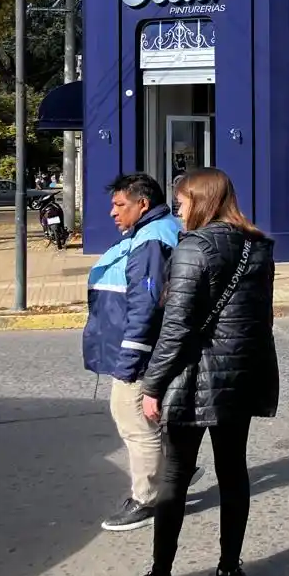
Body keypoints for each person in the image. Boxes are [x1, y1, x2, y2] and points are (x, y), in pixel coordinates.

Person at [132, 167, 279, 576]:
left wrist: (152, 384)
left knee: (175, 477)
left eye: (181, 202)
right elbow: (262, 318)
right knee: (233, 472)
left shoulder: (193, 248)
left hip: (193, 378)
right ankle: (229, 575)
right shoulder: (259, 246)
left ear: (202, 200)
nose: (177, 211)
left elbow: (176, 327)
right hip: (240, 377)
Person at [83, 172, 198, 532]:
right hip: (152, 349)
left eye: (120, 205)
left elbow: (145, 310)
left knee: (133, 418)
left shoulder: (150, 240)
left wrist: (129, 364)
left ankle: (148, 497)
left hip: (139, 353)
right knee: (153, 417)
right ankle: (175, 471)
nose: (113, 213)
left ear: (142, 204)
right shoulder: (158, 230)